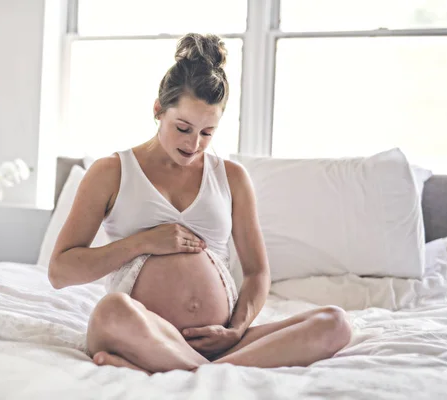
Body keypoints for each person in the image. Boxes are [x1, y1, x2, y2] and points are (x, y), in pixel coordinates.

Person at [48, 33, 351, 374]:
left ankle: (189, 368)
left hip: (220, 340)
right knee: (110, 312)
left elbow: (256, 272)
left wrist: (235, 329)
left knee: (335, 322)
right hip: (143, 331)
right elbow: (60, 271)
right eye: (183, 128)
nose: (194, 144)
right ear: (158, 110)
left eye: (207, 133)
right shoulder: (111, 172)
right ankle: (215, 372)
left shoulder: (232, 177)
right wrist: (144, 242)